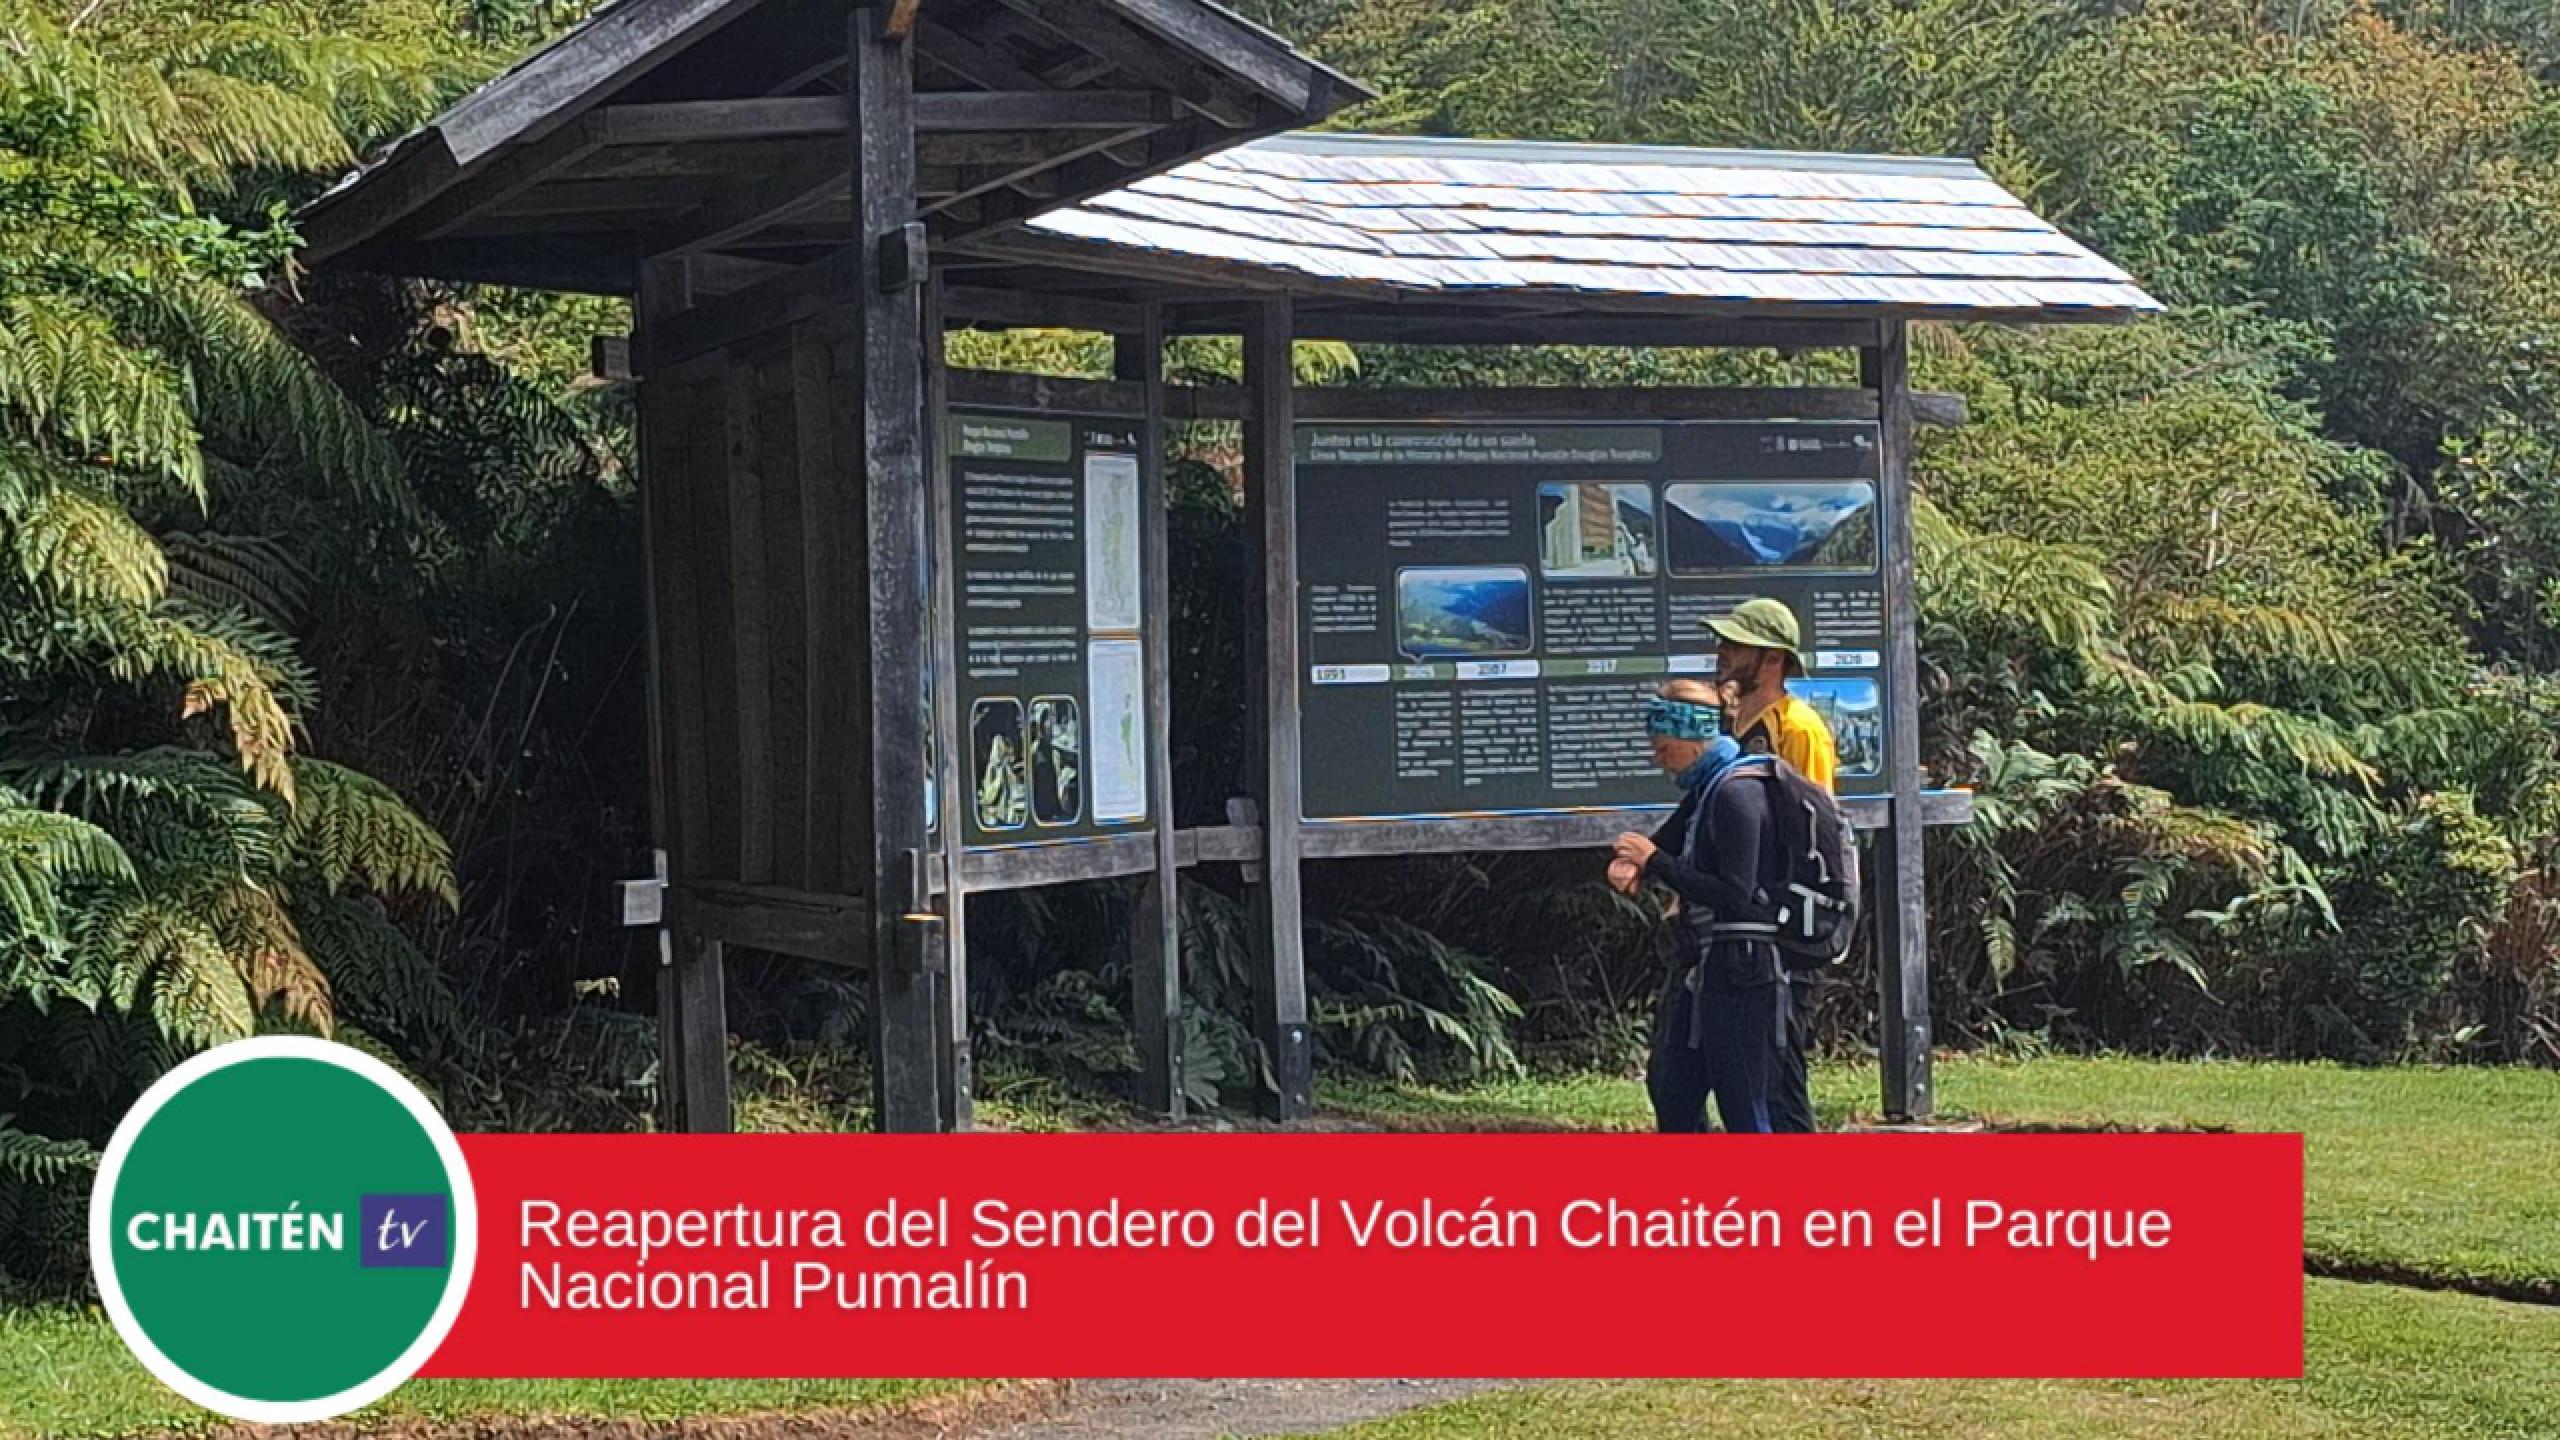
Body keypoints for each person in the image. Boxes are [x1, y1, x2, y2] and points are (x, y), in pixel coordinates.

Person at [1609, 680, 1808, 1134]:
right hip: (1702, 964)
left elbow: (1738, 894)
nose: (1657, 759)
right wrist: (1634, 863)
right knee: (1672, 1089)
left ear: (1690, 739)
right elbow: (1669, 838)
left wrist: (1654, 862)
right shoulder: (1704, 789)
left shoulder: (1737, 794)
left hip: (1744, 970)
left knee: (1744, 1105)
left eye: (1663, 748)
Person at [1705, 597, 1837, 791]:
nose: (1721, 650)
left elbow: (1814, 816)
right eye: (1723, 641)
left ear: (1774, 659)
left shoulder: (1799, 729)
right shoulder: (1728, 718)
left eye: (1735, 643)